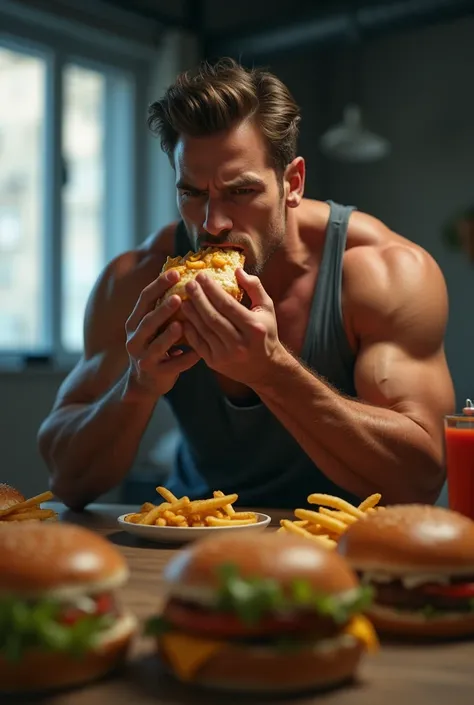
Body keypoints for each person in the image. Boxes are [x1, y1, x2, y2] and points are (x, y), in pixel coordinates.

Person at [38, 58, 455, 511]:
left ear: (292, 183)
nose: (212, 224)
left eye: (240, 192)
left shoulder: (381, 271)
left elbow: (420, 480)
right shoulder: (137, 278)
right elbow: (67, 479)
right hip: (195, 535)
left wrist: (272, 369)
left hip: (339, 546)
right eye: (192, 194)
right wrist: (138, 385)